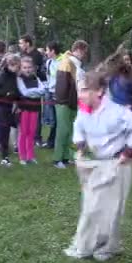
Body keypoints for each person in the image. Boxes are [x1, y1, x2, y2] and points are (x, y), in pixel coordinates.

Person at [64, 70, 132, 262]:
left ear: (100, 91)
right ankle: (85, 246)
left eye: (85, 90)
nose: (81, 95)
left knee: (112, 210)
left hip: (116, 164)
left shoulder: (116, 112)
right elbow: (78, 127)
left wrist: (128, 151)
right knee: (91, 207)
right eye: (80, 90)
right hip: (95, 165)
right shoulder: (83, 110)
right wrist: (80, 145)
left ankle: (107, 248)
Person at [53, 40, 88, 169]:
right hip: (64, 102)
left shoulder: (77, 64)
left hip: (73, 101)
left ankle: (66, 157)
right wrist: (63, 101)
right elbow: (62, 84)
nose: (84, 55)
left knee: (70, 130)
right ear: (78, 49)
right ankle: (57, 158)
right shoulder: (67, 62)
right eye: (84, 52)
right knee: (63, 130)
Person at [0, 54, 21, 167]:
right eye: (16, 66)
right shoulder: (0, 74)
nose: (18, 68)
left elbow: (14, 89)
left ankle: (5, 157)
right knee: (0, 131)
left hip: (8, 106)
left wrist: (15, 97)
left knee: (6, 131)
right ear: (10, 65)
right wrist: (5, 94)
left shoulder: (13, 75)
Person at [16, 56, 46, 165]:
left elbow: (43, 90)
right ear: (21, 68)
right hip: (24, 108)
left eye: (29, 67)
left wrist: (33, 92)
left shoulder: (36, 78)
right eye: (24, 67)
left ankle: (30, 156)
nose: (27, 69)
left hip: (35, 108)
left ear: (33, 68)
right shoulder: (19, 79)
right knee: (23, 132)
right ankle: (22, 157)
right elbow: (25, 92)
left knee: (32, 132)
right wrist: (35, 92)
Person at [41, 41, 60, 149]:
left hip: (58, 93)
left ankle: (53, 141)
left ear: (53, 51)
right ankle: (51, 141)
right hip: (49, 92)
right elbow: (49, 77)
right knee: (52, 119)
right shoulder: (48, 62)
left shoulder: (61, 62)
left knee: (57, 119)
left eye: (47, 50)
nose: (46, 52)